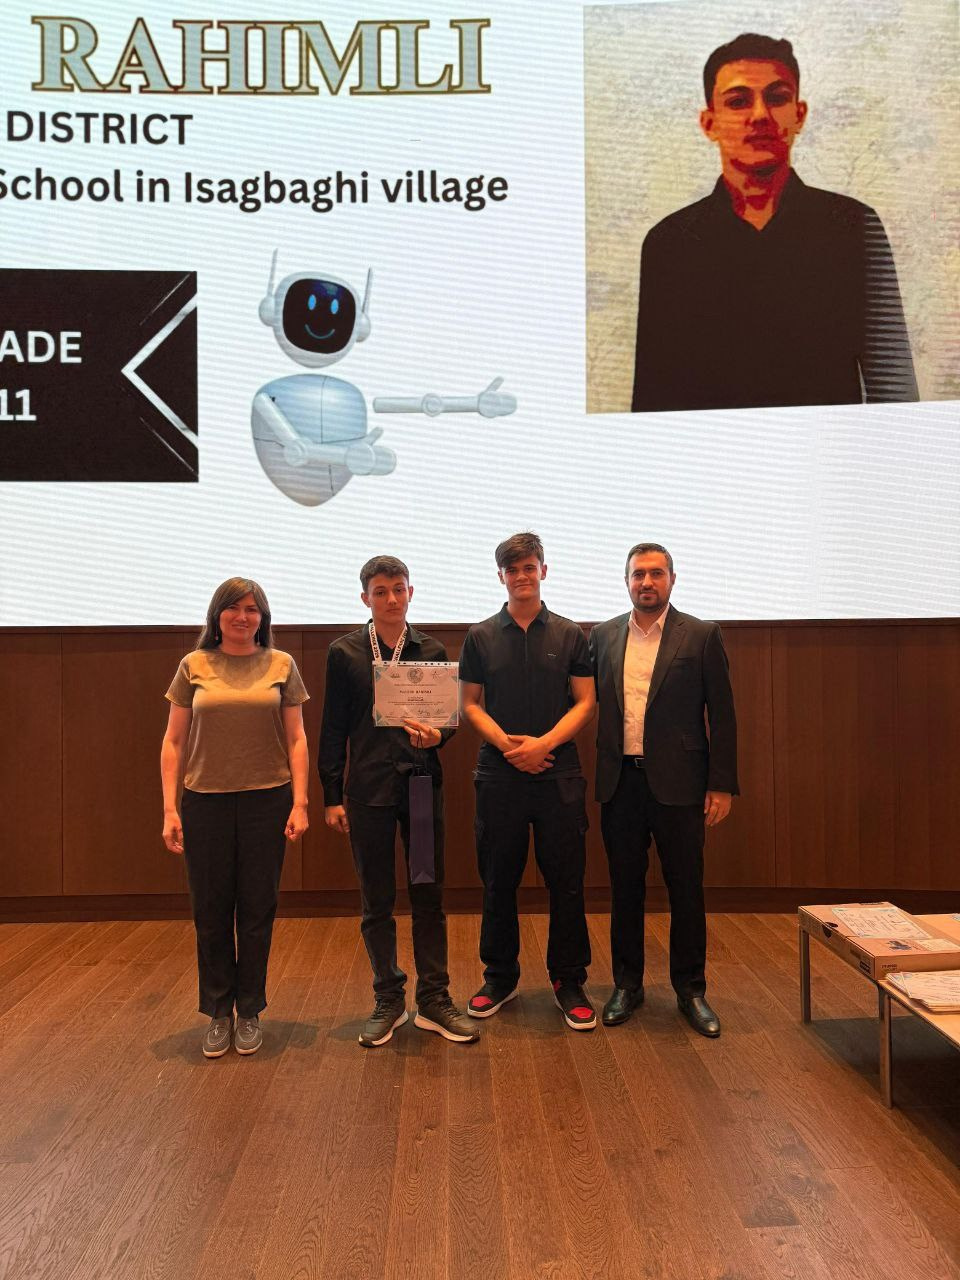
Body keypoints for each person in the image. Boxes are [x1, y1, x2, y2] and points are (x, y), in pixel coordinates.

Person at [631, 32, 918, 413]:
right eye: (738, 101)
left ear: (799, 114)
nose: (760, 116)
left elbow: (894, 387)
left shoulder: (854, 226)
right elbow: (653, 401)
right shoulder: (670, 243)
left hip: (826, 447)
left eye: (777, 98)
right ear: (709, 123)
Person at [319, 554, 477, 1047]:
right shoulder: (345, 653)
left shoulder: (430, 649)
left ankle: (434, 998)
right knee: (377, 900)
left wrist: (439, 737)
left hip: (421, 787)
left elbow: (447, 720)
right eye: (381, 591)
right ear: (365, 598)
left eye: (399, 589)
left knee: (428, 893)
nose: (391, 599)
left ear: (411, 592)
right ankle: (388, 998)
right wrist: (331, 794)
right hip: (367, 791)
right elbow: (332, 728)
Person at [590, 544, 738, 1036]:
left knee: (686, 889)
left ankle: (691, 990)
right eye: (638, 574)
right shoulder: (603, 636)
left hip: (682, 783)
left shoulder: (701, 635)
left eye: (656, 573)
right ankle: (626, 985)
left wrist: (721, 784)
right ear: (626, 581)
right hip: (620, 782)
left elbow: (723, 715)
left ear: (673, 578)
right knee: (624, 889)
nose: (646, 582)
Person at [161, 577, 309, 1058]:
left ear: (263, 618)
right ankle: (218, 1012)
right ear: (217, 615)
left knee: (257, 909)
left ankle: (250, 1011)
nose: (242, 617)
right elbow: (173, 741)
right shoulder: (194, 665)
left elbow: (297, 739)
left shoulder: (281, 664)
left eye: (252, 609)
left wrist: (301, 802)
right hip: (205, 801)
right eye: (233, 608)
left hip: (268, 800)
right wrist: (170, 808)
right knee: (210, 912)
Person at [459, 532, 598, 1030]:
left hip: (559, 772)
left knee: (567, 882)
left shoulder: (570, 634)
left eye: (529, 567)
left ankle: (569, 980)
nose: (522, 576)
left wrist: (543, 746)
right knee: (499, 880)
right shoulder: (480, 636)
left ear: (544, 570)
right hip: (498, 774)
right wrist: (510, 748)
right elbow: (469, 703)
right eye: (512, 569)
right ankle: (500, 977)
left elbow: (586, 701)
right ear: (501, 576)